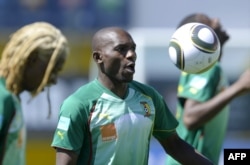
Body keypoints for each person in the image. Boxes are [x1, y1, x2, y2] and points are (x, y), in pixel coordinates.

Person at [51, 26, 213, 165]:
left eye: (133, 49)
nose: (131, 55)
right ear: (98, 57)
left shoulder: (149, 97)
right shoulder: (78, 104)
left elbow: (175, 146)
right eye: (121, 49)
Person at [166, 13, 250, 165]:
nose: (217, 20)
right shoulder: (205, 66)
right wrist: (239, 87)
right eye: (208, 22)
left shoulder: (207, 66)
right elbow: (190, 118)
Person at [0, 22, 69, 165]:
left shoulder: (12, 98)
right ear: (31, 59)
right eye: (52, 70)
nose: (54, 80)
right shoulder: (3, 99)